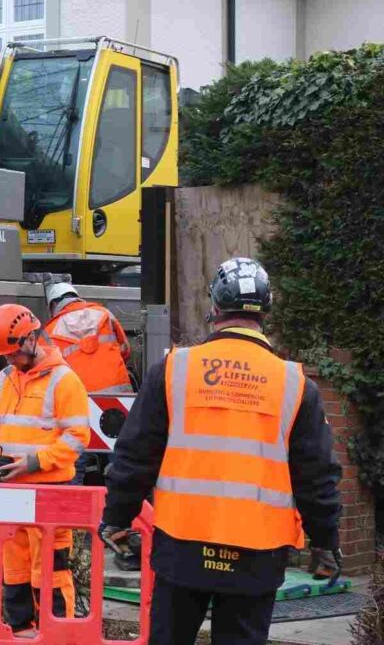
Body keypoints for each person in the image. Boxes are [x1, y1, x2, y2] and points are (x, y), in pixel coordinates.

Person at [100, 257, 342, 645]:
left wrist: (117, 516)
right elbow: (317, 478)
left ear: (213, 306)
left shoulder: (175, 370)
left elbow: (136, 454)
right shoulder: (295, 385)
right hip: (258, 552)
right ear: (267, 310)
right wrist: (325, 541)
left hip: (182, 545)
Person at [0, 303, 91, 638]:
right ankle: (21, 631)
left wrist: (35, 462)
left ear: (30, 339)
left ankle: (59, 635)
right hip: (12, 494)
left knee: (52, 572)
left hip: (50, 493)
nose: (9, 361)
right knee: (13, 570)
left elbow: (77, 438)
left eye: (12, 353)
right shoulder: (4, 380)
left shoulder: (64, 381)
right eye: (5, 355)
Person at [44, 282, 133, 394]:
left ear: (53, 305)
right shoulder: (104, 314)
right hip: (119, 393)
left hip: (79, 398)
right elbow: (125, 350)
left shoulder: (49, 331)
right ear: (76, 297)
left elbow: (43, 373)